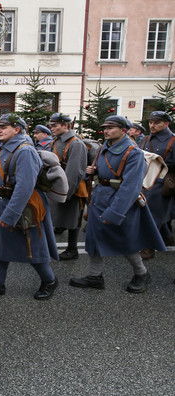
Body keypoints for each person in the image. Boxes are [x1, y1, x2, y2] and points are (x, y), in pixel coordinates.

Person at [70, 116, 165, 292]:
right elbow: (102, 172)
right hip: (99, 199)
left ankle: (141, 273)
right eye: (105, 127)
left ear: (123, 130)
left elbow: (131, 187)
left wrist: (115, 212)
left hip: (119, 203)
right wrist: (92, 171)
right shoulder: (104, 148)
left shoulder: (133, 153)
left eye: (111, 127)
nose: (106, 130)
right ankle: (95, 276)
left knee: (125, 241)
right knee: (94, 238)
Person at [0, 113, 59, 300]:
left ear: (17, 129)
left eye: (4, 127)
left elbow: (25, 186)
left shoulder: (24, 150)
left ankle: (49, 280)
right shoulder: (6, 148)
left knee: (31, 245)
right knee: (0, 243)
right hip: (3, 201)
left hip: (22, 206)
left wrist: (11, 214)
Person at [48, 113, 88, 260]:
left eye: (55, 125)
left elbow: (75, 171)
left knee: (73, 219)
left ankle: (72, 249)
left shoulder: (76, 144)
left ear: (65, 126)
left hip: (71, 188)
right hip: (58, 185)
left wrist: (65, 192)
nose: (52, 128)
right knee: (58, 216)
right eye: (51, 125)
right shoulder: (56, 141)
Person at [139, 111, 175, 258]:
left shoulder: (172, 140)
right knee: (150, 212)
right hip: (146, 180)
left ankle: (148, 248)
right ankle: (167, 237)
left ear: (166, 124)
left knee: (153, 214)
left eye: (157, 122)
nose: (152, 125)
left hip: (163, 181)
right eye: (150, 122)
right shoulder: (146, 139)